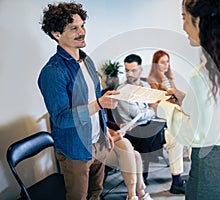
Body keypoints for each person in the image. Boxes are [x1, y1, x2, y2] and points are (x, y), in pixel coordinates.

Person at [151, 0, 220, 199]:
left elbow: (193, 133)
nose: (183, 26)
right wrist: (185, 98)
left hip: (213, 167)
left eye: (184, 18)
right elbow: (217, 109)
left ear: (199, 21)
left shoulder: (202, 75)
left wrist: (162, 107)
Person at [38, 2, 119, 199]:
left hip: (97, 142)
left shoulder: (86, 60)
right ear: (56, 34)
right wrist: (98, 105)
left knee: (96, 193)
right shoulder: (53, 72)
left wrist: (104, 130)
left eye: (82, 26)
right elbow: (62, 119)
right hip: (75, 150)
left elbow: (96, 97)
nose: (82, 32)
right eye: (74, 28)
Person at [116, 54, 187, 194]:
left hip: (149, 125)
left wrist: (152, 108)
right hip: (135, 131)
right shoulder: (122, 90)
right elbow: (138, 114)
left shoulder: (146, 85)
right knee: (174, 137)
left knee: (176, 134)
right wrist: (152, 107)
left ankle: (177, 180)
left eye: (133, 70)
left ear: (140, 69)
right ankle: (177, 181)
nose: (129, 74)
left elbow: (154, 109)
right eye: (127, 70)